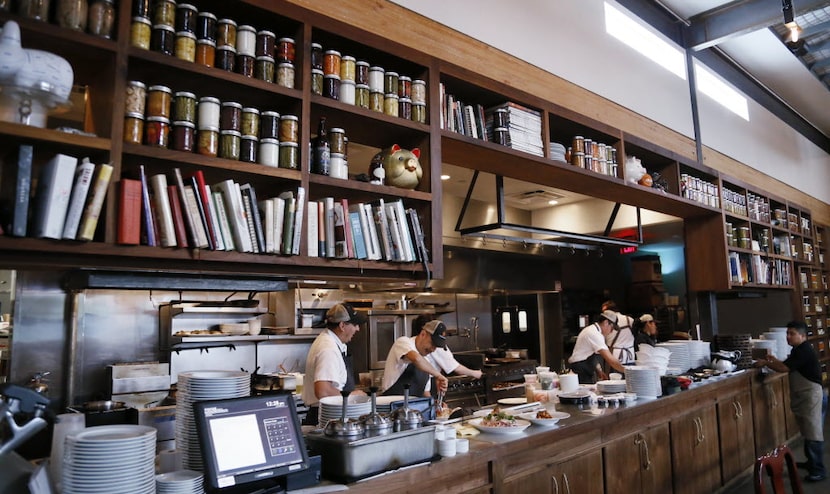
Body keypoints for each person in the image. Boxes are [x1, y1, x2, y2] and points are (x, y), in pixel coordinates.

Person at [754, 321, 827, 482]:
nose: (788, 337)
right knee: (809, 432)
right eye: (787, 333)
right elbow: (786, 364)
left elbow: (784, 369)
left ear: (802, 336)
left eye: (791, 334)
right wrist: (773, 359)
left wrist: (766, 363)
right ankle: (811, 463)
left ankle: (818, 470)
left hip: (811, 396)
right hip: (807, 396)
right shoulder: (798, 350)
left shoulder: (803, 351)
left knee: (814, 433)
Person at [301, 303, 367, 425]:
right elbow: (323, 391)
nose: (357, 329)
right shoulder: (328, 348)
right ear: (342, 325)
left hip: (330, 413)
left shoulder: (332, 342)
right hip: (326, 417)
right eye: (355, 325)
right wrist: (352, 396)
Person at [382, 320, 449, 397]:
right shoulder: (403, 342)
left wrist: (435, 405)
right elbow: (416, 359)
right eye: (432, 344)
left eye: (436, 347)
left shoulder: (427, 361)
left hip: (414, 406)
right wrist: (438, 375)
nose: (433, 349)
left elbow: (425, 392)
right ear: (423, 334)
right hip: (391, 404)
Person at [412, 315, 483, 380]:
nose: (433, 349)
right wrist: (476, 373)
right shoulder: (435, 344)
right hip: (431, 382)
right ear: (423, 333)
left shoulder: (414, 341)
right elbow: (455, 368)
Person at [568, 310, 627, 383]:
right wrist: (628, 371)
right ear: (606, 323)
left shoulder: (594, 330)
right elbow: (610, 359)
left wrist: (599, 370)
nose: (611, 332)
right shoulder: (594, 333)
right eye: (612, 328)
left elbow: (589, 354)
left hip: (584, 367)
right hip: (580, 369)